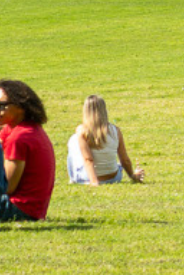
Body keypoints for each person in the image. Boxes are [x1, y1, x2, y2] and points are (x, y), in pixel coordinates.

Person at [0, 80, 56, 221]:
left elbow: (8, 187)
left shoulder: (19, 137)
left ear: (20, 107)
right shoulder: (17, 128)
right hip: (32, 209)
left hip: (20, 209)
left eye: (2, 106)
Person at [66, 95, 145, 185]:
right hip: (114, 178)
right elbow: (124, 159)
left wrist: (94, 182)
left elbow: (88, 159)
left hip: (87, 178)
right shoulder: (116, 130)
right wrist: (132, 176)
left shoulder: (82, 131)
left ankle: (72, 178)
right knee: (117, 165)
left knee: (72, 140)